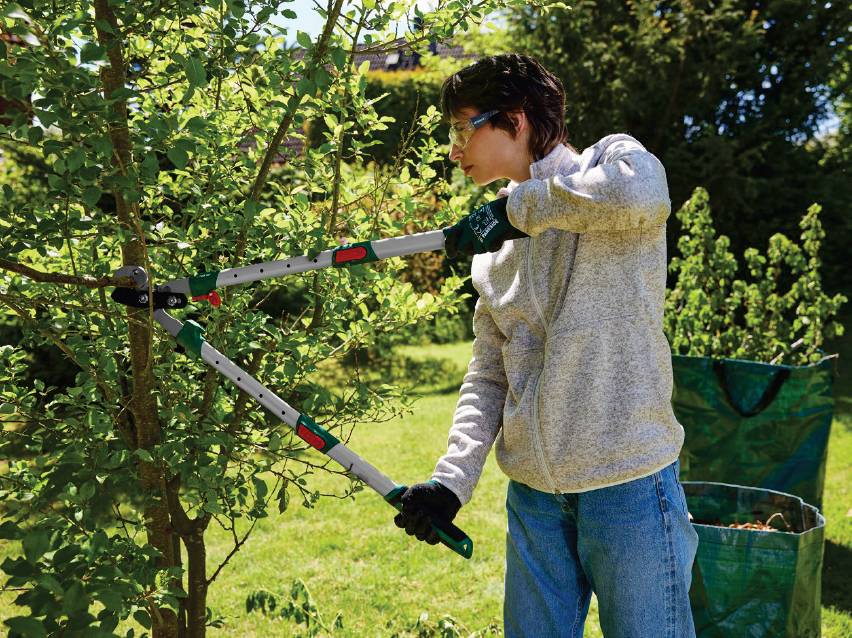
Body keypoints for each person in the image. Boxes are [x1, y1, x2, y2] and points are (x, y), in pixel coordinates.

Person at [393, 53, 699, 637]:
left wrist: (519, 209)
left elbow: (644, 197)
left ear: (514, 118)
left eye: (463, 129)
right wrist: (451, 481)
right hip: (535, 497)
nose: (455, 149)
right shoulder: (493, 249)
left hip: (628, 483)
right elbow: (489, 373)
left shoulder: (612, 163)